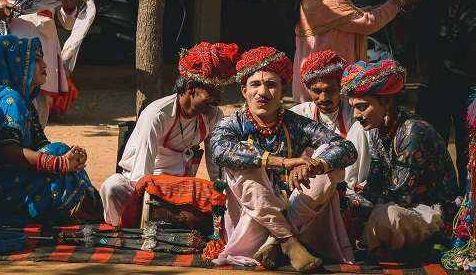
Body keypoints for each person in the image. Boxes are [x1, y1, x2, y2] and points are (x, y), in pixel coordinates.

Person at [209, 46, 357, 271]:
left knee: (330, 170)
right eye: (255, 85)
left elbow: (346, 148)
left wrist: (314, 165)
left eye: (271, 85)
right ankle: (288, 243)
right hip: (250, 217)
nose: (262, 92)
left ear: (281, 90)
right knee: (246, 169)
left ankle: (276, 243)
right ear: (243, 90)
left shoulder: (296, 123)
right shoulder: (232, 124)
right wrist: (283, 162)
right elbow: (219, 149)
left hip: (296, 210)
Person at [99, 42, 239, 227]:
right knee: (113, 186)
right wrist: (156, 200)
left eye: (219, 92)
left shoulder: (213, 115)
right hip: (150, 186)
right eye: (212, 92)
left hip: (184, 190)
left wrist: (221, 194)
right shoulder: (158, 114)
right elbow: (141, 176)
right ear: (190, 87)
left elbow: (217, 168)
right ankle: (126, 230)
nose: (218, 100)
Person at [0, 35, 100, 225]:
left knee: (60, 151)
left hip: (10, 177)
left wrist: (71, 157)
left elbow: (40, 143)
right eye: (36, 59)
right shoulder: (11, 100)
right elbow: (9, 152)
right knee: (57, 152)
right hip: (1, 182)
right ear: (16, 64)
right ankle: (89, 207)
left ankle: (87, 207)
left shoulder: (22, 100)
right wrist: (59, 163)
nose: (44, 64)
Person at [340, 59, 459, 252]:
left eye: (362, 107)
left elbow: (401, 196)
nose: (356, 115)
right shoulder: (378, 131)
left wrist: (360, 207)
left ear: (386, 102)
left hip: (433, 213)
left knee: (386, 216)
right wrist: (347, 203)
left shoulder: (413, 132)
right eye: (353, 107)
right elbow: (374, 185)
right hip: (398, 204)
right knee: (343, 205)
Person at [291, 0, 427, 102]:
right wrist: (398, 1)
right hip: (323, 91)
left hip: (315, 87)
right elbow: (367, 22)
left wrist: (395, 3)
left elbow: (357, 16)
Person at [409, 0, 476, 191]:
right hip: (434, 84)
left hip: (470, 86)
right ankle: (437, 206)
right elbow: (406, 39)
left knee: (470, 152)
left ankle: (470, 211)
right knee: (430, 147)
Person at [290, 50, 354, 138]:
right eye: (317, 91)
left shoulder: (354, 115)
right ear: (308, 89)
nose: (324, 98)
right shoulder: (298, 116)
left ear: (341, 88)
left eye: (330, 90)